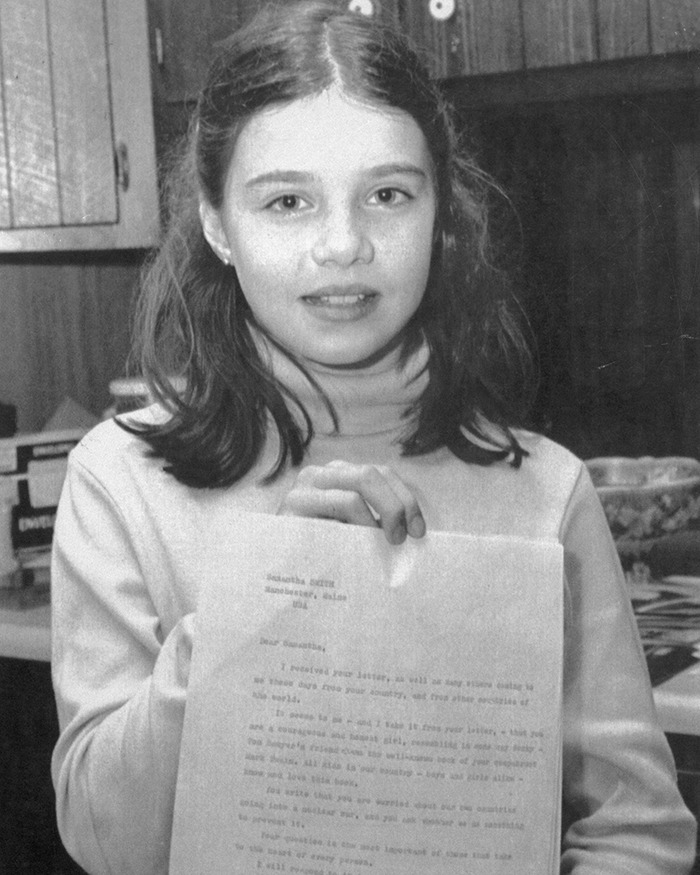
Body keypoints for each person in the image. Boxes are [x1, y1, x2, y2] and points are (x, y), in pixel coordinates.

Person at [50, 2, 697, 873]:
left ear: (440, 214)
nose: (344, 244)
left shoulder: (548, 490)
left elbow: (639, 833)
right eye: (287, 201)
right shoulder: (119, 480)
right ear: (215, 224)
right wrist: (258, 598)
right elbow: (106, 842)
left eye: (388, 194)